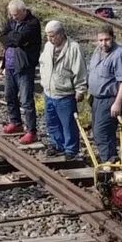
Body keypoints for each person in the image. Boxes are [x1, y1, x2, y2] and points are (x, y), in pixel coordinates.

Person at [38, 20, 86, 159]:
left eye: (52, 36)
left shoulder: (74, 48)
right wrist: (44, 82)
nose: (49, 39)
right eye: (48, 36)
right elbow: (43, 64)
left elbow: (80, 70)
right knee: (52, 123)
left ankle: (71, 150)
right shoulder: (48, 46)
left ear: (61, 34)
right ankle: (57, 145)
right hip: (49, 92)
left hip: (65, 94)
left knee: (68, 124)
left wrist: (80, 90)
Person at [86, 23, 122, 163]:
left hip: (110, 98)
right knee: (99, 131)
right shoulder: (98, 51)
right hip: (97, 98)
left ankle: (109, 162)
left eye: (107, 40)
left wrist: (117, 103)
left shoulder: (119, 54)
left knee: (101, 132)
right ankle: (111, 158)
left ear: (113, 38)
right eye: (100, 40)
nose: (103, 43)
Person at [0, 0, 42, 145]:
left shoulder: (32, 23)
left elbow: (19, 39)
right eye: (11, 15)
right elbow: (3, 37)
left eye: (16, 15)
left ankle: (31, 131)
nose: (13, 18)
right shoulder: (11, 21)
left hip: (24, 66)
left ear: (24, 11)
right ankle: (15, 122)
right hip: (9, 64)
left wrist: (12, 38)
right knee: (9, 95)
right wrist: (12, 38)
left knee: (26, 100)